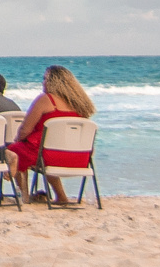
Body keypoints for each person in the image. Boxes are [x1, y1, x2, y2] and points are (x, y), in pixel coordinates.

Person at [11, 65, 98, 204]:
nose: (42, 82)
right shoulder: (79, 105)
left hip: (49, 156)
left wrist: (17, 140)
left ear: (53, 82)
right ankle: (61, 196)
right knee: (49, 147)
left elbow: (24, 130)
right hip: (81, 158)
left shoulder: (45, 100)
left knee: (16, 150)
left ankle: (24, 196)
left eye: (45, 79)